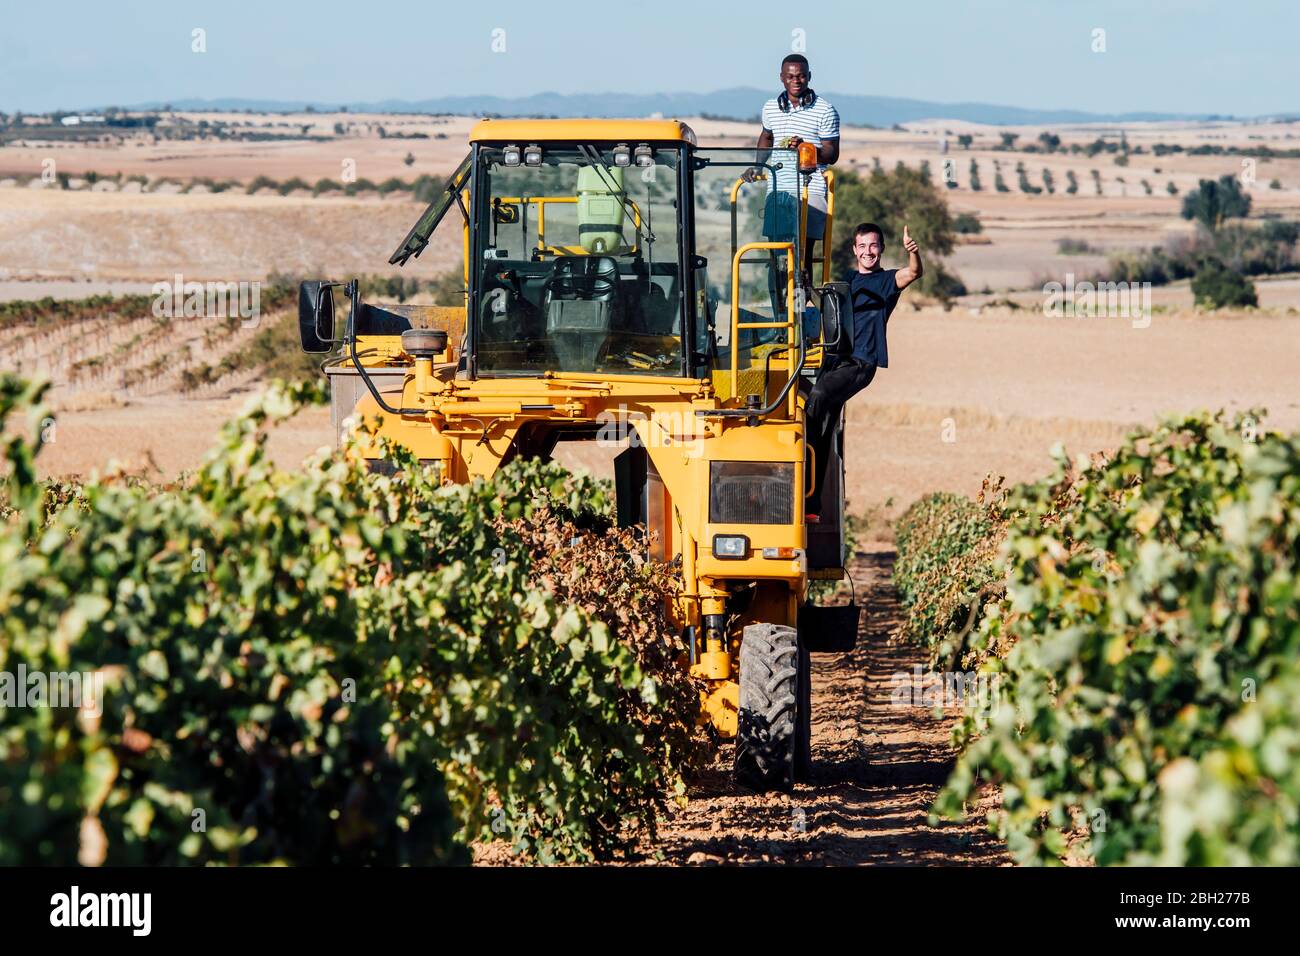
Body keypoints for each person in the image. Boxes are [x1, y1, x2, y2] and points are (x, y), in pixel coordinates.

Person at [805, 221, 922, 521]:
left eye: (873, 246)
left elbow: (913, 273)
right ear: (855, 250)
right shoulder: (846, 283)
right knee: (823, 428)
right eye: (863, 246)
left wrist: (913, 253)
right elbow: (826, 312)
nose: (868, 251)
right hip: (835, 362)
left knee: (817, 398)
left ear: (881, 249)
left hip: (860, 364)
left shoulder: (886, 282)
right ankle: (811, 505)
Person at [744, 54, 840, 284]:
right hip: (778, 187)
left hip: (811, 186)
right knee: (776, 252)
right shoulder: (770, 108)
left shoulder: (825, 110)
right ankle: (778, 310)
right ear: (782, 78)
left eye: (801, 76)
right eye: (790, 76)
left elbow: (832, 153)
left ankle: (802, 307)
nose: (796, 81)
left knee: (803, 253)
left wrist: (806, 149)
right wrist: (757, 166)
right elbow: (766, 137)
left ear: (809, 77)